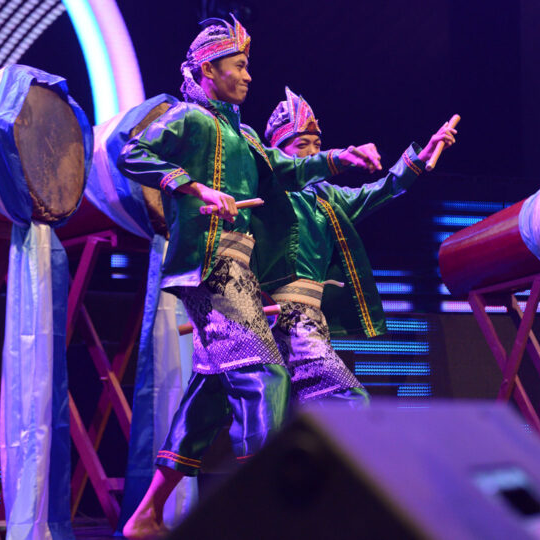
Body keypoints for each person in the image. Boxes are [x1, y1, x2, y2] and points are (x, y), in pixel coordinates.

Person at [118, 16, 382, 539]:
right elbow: (132, 151)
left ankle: (146, 515)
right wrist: (192, 188)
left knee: (212, 396)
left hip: (238, 269)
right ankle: (267, 513)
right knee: (267, 377)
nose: (248, 76)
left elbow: (285, 171)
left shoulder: (244, 134)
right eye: (238, 66)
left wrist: (338, 159)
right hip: (211, 267)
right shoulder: (187, 118)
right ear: (209, 70)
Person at [253, 87, 456, 407]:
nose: (311, 153)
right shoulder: (266, 193)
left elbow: (382, 189)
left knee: (295, 413)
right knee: (348, 401)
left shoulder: (325, 198)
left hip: (308, 315)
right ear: (279, 154)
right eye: (301, 145)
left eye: (317, 145)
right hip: (273, 314)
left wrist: (423, 152)